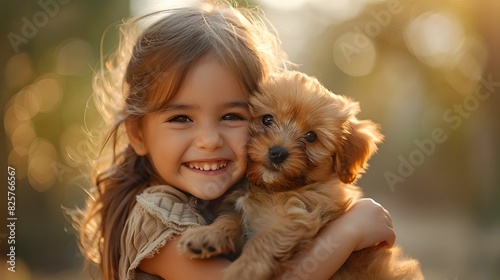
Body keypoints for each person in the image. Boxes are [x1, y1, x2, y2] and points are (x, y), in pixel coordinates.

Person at [77, 1, 395, 279]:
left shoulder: (230, 195)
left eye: (232, 116)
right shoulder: (154, 219)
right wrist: (347, 233)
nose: (209, 140)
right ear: (137, 134)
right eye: (181, 118)